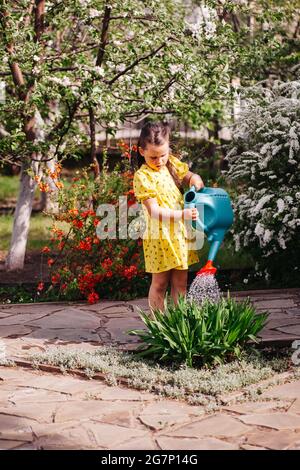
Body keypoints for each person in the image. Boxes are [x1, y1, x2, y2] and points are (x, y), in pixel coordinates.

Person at [132, 121, 204, 310]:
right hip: (160, 237)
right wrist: (183, 214)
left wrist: (195, 180)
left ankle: (178, 324)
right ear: (142, 152)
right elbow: (154, 211)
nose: (159, 161)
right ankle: (160, 327)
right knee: (160, 283)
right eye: (153, 157)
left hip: (180, 234)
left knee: (181, 283)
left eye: (163, 155)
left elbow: (189, 176)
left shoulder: (171, 163)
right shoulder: (143, 176)